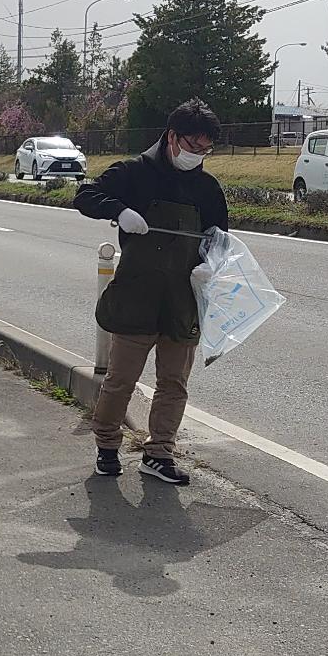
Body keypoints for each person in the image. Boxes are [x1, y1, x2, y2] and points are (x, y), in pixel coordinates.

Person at [72, 98, 229, 487]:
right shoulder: (134, 172)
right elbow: (86, 196)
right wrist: (120, 210)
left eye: (206, 149)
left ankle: (159, 453)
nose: (199, 155)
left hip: (182, 299)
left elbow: (221, 238)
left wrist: (213, 263)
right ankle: (107, 447)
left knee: (174, 383)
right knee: (121, 380)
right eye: (194, 146)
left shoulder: (208, 188)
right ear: (172, 137)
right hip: (136, 296)